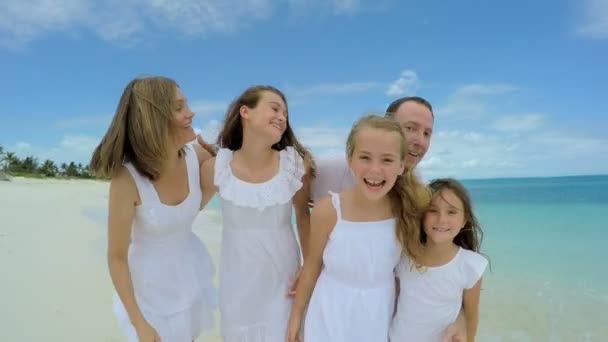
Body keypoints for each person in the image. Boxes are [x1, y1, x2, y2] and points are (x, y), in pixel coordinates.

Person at [89, 76, 217, 342]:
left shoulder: (197, 157)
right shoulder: (127, 180)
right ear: (153, 118)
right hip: (149, 296)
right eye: (179, 107)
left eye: (187, 105)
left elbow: (189, 211)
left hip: (190, 274)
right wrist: (139, 323)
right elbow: (116, 257)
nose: (191, 113)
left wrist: (217, 159)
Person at [286, 114, 430, 342]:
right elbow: (312, 267)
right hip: (329, 310)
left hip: (378, 313)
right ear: (350, 159)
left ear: (401, 165)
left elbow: (429, 267)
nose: (375, 170)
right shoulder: (328, 210)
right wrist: (295, 318)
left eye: (387, 160)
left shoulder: (407, 211)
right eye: (365, 157)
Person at [198, 85, 314, 342]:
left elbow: (303, 217)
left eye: (285, 113)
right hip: (238, 283)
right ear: (245, 112)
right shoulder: (216, 168)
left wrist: (308, 267)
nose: (282, 117)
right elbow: (185, 211)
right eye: (274, 108)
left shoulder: (293, 164)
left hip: (284, 282)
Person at [389, 178, 488, 342]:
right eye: (433, 211)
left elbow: (471, 316)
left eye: (451, 212)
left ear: (464, 220)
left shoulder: (470, 265)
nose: (442, 220)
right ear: (421, 216)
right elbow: (394, 304)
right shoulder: (404, 258)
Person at [311, 96, 433, 200]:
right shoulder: (327, 169)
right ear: (386, 126)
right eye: (410, 128)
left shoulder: (422, 193)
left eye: (426, 133)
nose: (420, 142)